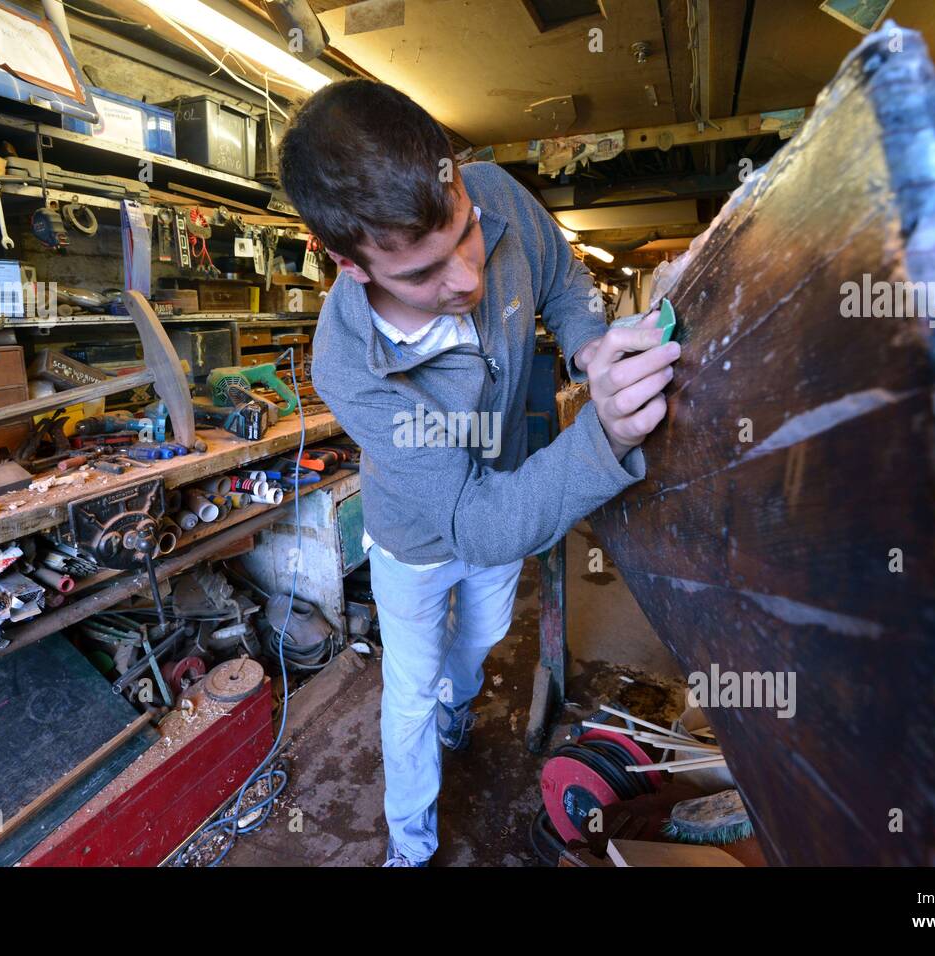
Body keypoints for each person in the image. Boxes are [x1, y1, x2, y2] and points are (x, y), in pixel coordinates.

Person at [280, 79, 678, 866]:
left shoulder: (491, 191)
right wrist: (604, 438)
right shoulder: (346, 363)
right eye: (424, 275)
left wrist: (589, 345)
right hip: (419, 534)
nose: (465, 277)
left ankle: (460, 704)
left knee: (487, 638)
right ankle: (411, 847)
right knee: (410, 692)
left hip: (505, 487)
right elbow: (477, 521)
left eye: (465, 234)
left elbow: (562, 278)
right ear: (348, 263)